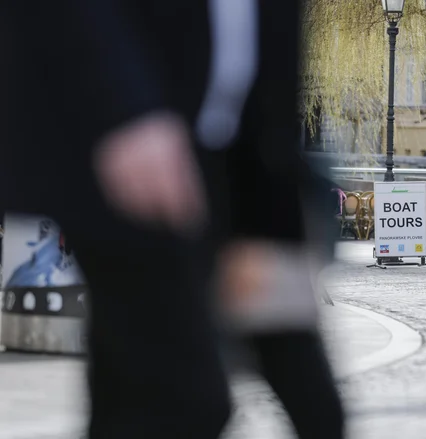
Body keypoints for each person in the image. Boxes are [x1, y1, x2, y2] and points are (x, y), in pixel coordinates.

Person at [1, 1, 230, 438]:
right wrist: (127, 108)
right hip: (128, 141)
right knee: (185, 393)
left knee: (137, 389)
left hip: (171, 140)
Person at [195, 0, 345, 438]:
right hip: (161, 189)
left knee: (315, 404)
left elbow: (273, 95)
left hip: (259, 198)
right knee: (180, 399)